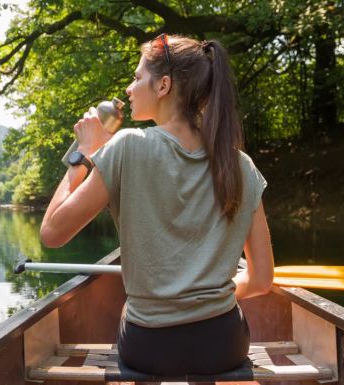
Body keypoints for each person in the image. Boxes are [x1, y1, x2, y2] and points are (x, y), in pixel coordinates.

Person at [40, 34, 274, 376]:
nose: (130, 89)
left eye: (137, 78)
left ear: (163, 85)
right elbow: (262, 280)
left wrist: (84, 154)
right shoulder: (241, 165)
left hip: (148, 345)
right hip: (222, 343)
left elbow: (52, 233)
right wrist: (203, 301)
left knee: (128, 320)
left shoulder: (126, 147)